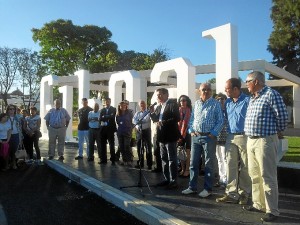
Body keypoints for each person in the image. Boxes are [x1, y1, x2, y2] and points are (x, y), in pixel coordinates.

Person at [243, 71, 288, 222]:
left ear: (255, 81)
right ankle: (258, 204)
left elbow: (282, 116)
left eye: (247, 81)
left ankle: (272, 210)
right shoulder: (253, 98)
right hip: (251, 140)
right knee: (254, 174)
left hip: (265, 140)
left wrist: (276, 132)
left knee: (267, 176)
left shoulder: (271, 94)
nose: (246, 84)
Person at [182, 83, 224, 197]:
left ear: (211, 91)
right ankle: (192, 187)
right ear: (199, 91)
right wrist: (191, 130)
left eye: (208, 89)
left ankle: (208, 189)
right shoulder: (196, 104)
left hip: (208, 137)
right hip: (196, 136)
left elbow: (220, 120)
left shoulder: (215, 104)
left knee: (208, 164)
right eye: (203, 89)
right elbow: (191, 120)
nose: (206, 91)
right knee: (193, 163)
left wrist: (213, 133)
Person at [216, 78, 251, 205]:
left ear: (236, 89)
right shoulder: (228, 102)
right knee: (230, 165)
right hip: (230, 137)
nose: (225, 91)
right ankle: (231, 193)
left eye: (227, 89)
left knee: (245, 166)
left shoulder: (248, 100)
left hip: (244, 136)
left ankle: (244, 193)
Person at [150, 88, 180, 190]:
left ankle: (173, 181)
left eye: (160, 95)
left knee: (172, 159)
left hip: (170, 135)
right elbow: (155, 119)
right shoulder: (159, 106)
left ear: (166, 94)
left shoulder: (172, 104)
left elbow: (177, 118)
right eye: (157, 95)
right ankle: (166, 178)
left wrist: (164, 122)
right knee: (163, 158)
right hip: (161, 136)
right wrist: (151, 112)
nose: (158, 97)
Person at [132, 100, 152, 170]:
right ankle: (141, 163)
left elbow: (146, 120)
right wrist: (138, 121)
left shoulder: (148, 112)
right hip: (139, 131)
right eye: (141, 104)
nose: (142, 105)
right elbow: (133, 120)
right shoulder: (137, 113)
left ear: (145, 104)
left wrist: (138, 121)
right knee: (139, 148)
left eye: (143, 103)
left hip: (146, 131)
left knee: (148, 148)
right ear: (139, 105)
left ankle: (149, 164)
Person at [214, 93, 228, 187]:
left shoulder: (228, 110)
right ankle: (221, 178)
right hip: (216, 138)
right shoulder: (215, 112)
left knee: (225, 159)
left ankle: (226, 180)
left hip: (226, 138)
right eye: (218, 99)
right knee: (219, 159)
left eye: (222, 99)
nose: (220, 100)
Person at [177, 95, 192, 178]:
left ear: (187, 102)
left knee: (187, 152)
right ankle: (182, 169)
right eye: (181, 100)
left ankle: (187, 169)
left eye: (184, 100)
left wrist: (186, 131)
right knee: (180, 152)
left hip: (188, 133)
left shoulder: (190, 111)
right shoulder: (177, 111)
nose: (182, 102)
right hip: (179, 134)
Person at [99, 98, 116, 165]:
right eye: (106, 102)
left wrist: (104, 116)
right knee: (103, 145)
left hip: (110, 129)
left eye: (108, 101)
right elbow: (100, 118)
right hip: (103, 129)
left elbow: (112, 117)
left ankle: (113, 160)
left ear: (110, 102)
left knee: (111, 145)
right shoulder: (102, 110)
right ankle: (103, 159)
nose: (107, 103)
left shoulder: (113, 109)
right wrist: (107, 116)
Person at [116, 101, 133, 166]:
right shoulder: (118, 114)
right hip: (120, 132)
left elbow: (132, 122)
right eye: (121, 106)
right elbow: (118, 122)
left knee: (127, 146)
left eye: (124, 105)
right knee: (122, 147)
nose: (123, 107)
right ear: (119, 107)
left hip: (127, 132)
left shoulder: (129, 113)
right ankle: (124, 160)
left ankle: (129, 160)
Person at [6, 104, 22, 169]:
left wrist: (21, 138)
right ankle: (6, 164)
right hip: (6, 136)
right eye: (10, 109)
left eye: (13, 109)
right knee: (7, 151)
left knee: (15, 151)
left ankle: (14, 163)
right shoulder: (5, 117)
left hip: (16, 135)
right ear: (7, 110)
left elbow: (20, 128)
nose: (12, 110)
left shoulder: (17, 117)